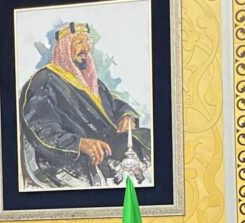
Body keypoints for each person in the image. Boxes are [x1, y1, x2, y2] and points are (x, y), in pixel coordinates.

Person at [19, 21, 152, 189]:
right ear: (65, 49)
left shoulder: (89, 80)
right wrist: (80, 144)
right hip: (68, 159)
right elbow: (42, 130)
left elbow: (112, 103)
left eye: (88, 43)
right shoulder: (45, 80)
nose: (86, 48)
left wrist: (127, 115)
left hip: (105, 148)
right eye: (79, 43)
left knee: (146, 140)